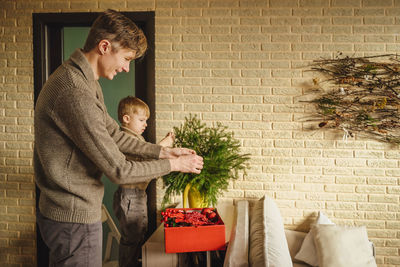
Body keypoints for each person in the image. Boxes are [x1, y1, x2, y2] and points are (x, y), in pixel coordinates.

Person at [34, 9, 203, 267]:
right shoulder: (74, 91)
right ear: (104, 47)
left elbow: (113, 134)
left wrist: (164, 152)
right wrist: (174, 166)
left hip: (70, 215)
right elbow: (119, 170)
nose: (126, 68)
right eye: (125, 58)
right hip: (72, 220)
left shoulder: (86, 81)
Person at [113, 96, 174, 267]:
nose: (145, 124)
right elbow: (144, 162)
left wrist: (163, 146)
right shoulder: (126, 139)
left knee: (138, 235)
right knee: (132, 240)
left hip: (136, 195)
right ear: (126, 119)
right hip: (130, 196)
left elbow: (145, 155)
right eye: (141, 120)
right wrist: (163, 147)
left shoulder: (136, 139)